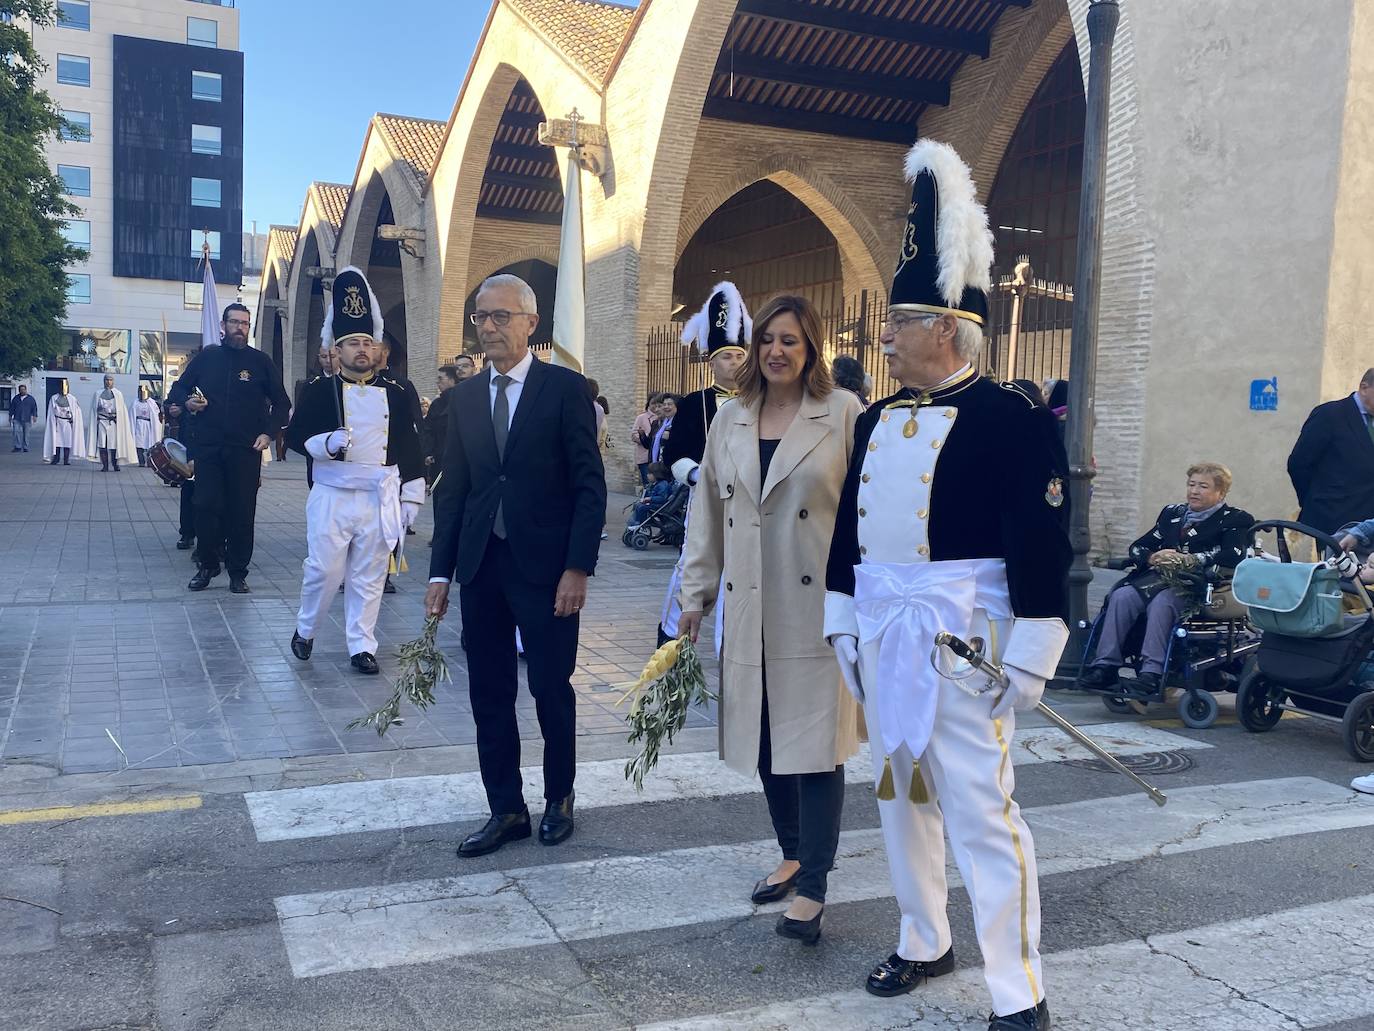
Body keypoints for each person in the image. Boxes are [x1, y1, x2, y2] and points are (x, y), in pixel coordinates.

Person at [824, 140, 1070, 1031]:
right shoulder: (881, 416)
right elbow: (851, 530)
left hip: (967, 644)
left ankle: (1018, 989)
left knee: (981, 812)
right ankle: (925, 936)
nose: (882, 338)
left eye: (896, 324)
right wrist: (842, 622)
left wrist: (1034, 653)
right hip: (886, 634)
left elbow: (1041, 541)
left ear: (943, 329)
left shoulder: (1011, 417)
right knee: (902, 796)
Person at [679, 293, 863, 946]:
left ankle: (813, 883)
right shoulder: (729, 421)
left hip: (817, 607)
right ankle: (790, 850)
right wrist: (695, 594)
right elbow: (706, 512)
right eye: (768, 340)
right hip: (750, 600)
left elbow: (864, 516)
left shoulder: (842, 413)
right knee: (763, 739)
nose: (777, 351)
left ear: (812, 347)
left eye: (791, 339)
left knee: (815, 749)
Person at [426, 273, 606, 858]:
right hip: (483, 568)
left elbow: (589, 485)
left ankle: (560, 798)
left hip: (547, 570)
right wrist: (439, 572)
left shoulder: (564, 389)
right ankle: (505, 807)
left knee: (551, 687)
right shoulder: (467, 398)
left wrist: (578, 567)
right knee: (489, 693)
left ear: (531, 323)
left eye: (502, 316)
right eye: (482, 317)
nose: (490, 327)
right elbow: (455, 488)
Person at [286, 267, 426, 675]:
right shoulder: (317, 389)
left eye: (368, 342)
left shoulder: (398, 392)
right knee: (324, 571)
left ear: (377, 348)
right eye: (353, 343)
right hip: (332, 494)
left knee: (369, 576)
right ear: (337, 349)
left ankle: (361, 645)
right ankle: (306, 628)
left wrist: (412, 495)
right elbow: (294, 437)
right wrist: (325, 444)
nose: (362, 350)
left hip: (377, 496)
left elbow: (410, 443)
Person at [1080, 463, 1252, 693]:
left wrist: (1186, 559)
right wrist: (1151, 557)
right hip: (1156, 580)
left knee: (1163, 602)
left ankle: (1151, 672)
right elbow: (1140, 546)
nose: (1194, 491)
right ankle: (1105, 666)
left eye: (1203, 486)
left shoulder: (1235, 519)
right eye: (1191, 484)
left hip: (1201, 587)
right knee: (1122, 596)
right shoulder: (1173, 514)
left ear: (1220, 493)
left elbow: (1233, 555)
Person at [168, 303, 290, 595]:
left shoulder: (260, 362)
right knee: (205, 505)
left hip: (245, 449)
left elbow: (282, 403)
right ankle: (208, 564)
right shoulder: (206, 358)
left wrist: (268, 433)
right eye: (234, 322)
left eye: (245, 323)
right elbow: (178, 390)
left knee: (242, 512)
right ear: (223, 325)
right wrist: (186, 403)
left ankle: (237, 572)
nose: (240, 328)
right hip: (208, 447)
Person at [657, 282, 751, 645]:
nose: (735, 362)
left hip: (751, 504)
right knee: (691, 571)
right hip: (707, 500)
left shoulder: (764, 401)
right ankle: (670, 643)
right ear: (712, 361)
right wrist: (698, 474)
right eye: (728, 357)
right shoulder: (694, 403)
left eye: (741, 356)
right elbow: (674, 454)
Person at [1287, 368, 1374, 535]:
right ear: (1364, 388)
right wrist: (1316, 503)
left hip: (1369, 525)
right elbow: (1299, 463)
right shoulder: (1330, 415)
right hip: (1335, 519)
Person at [86, 374, 136, 472]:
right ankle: (105, 465)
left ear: (113, 381)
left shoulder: (118, 394)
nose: (108, 382)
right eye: (106, 380)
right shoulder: (98, 394)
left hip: (113, 423)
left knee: (114, 445)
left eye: (110, 380)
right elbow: (94, 409)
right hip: (102, 422)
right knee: (102, 445)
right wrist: (99, 410)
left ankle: (115, 464)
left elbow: (121, 410)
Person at [44, 379, 85, 466]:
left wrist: (73, 419)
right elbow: (52, 412)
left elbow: (76, 411)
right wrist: (53, 421)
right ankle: (56, 458)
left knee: (67, 441)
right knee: (57, 441)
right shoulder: (54, 398)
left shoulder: (72, 399)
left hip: (67, 423)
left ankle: (66, 460)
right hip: (58, 422)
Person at [630, 393, 662, 486]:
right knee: (648, 484)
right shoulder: (642, 417)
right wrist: (645, 438)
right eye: (653, 403)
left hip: (658, 458)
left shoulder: (662, 418)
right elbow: (634, 434)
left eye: (658, 404)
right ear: (649, 403)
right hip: (644, 457)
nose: (656, 407)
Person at [629, 462, 673, 526]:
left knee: (641, 507)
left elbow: (662, 498)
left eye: (649, 473)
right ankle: (635, 521)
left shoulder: (663, 485)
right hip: (655, 503)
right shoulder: (655, 484)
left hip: (659, 505)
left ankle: (640, 523)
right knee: (637, 505)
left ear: (656, 474)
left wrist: (650, 499)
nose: (647, 475)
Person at [131, 385, 162, 466]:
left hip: (148, 425)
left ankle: (149, 461)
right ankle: (141, 461)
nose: (142, 394)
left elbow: (156, 414)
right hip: (138, 424)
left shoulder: (152, 403)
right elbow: (132, 415)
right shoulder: (135, 403)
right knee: (138, 443)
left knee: (150, 444)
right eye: (141, 393)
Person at [649, 394, 677, 464]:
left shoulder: (678, 424)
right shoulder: (663, 424)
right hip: (658, 465)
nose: (666, 407)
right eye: (664, 404)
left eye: (669, 404)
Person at [9, 384, 38, 452]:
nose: (22, 391)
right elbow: (12, 408)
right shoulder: (16, 398)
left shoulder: (31, 399)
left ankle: (25, 447)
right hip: (17, 418)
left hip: (27, 418)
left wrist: (35, 416)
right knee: (16, 432)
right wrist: (10, 416)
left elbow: (34, 408)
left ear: (26, 390)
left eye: (23, 389)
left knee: (26, 434)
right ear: (19, 390)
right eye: (21, 390)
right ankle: (17, 446)